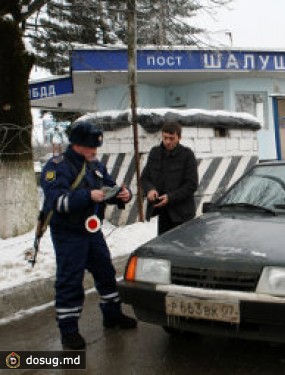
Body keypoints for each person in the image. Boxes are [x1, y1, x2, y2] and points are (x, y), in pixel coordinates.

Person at [41, 121, 137, 350]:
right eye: (92, 146)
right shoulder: (57, 166)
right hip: (69, 234)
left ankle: (112, 316)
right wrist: (87, 196)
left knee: (106, 272)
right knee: (70, 280)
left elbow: (109, 188)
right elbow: (57, 202)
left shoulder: (95, 164)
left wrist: (123, 195)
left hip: (92, 231)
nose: (96, 151)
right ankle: (69, 331)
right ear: (78, 144)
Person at [141, 123, 199, 235]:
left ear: (179, 137)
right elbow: (144, 178)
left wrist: (170, 197)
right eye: (165, 138)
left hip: (183, 215)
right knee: (164, 248)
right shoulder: (155, 153)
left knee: (183, 249)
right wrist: (150, 190)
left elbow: (191, 184)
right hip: (163, 214)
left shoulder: (187, 155)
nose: (167, 142)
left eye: (171, 138)